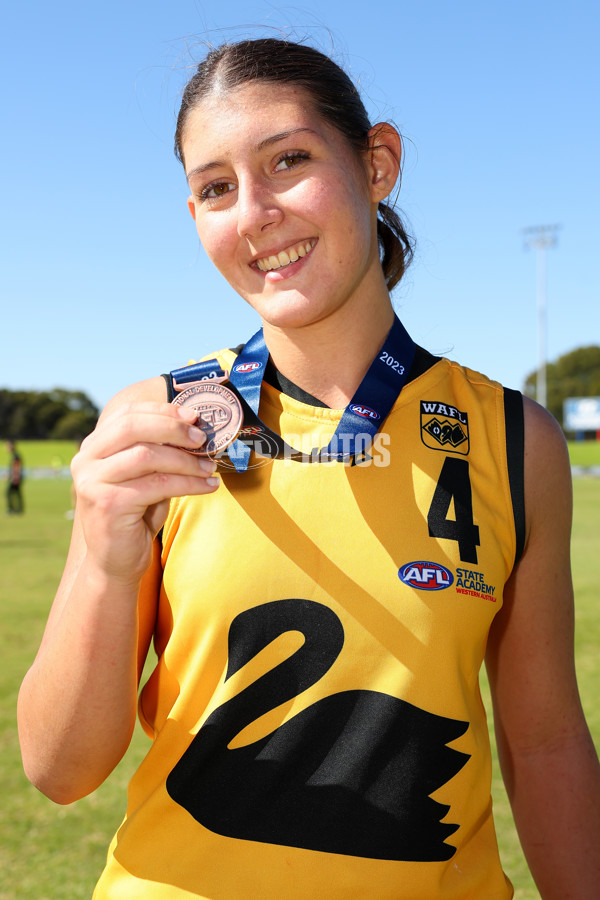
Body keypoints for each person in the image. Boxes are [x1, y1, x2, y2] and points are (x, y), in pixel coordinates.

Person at [17, 37, 600, 899]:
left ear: (377, 164)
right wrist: (106, 554)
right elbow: (59, 770)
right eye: (217, 187)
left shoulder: (514, 440)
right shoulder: (164, 423)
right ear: (195, 217)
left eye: (288, 160)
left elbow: (546, 742)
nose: (254, 213)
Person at [6, 440, 24, 514]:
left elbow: (17, 467)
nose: (7, 448)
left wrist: (15, 477)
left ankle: (12, 509)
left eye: (8, 446)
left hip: (16, 478)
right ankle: (18, 509)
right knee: (17, 493)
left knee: (9, 493)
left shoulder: (15, 456)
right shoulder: (14, 455)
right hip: (16, 477)